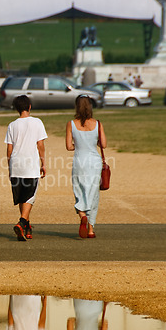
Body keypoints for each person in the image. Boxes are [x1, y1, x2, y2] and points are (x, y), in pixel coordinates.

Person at [5, 95, 47, 241]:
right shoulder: (37, 122)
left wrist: (10, 165)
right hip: (31, 165)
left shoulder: (12, 125)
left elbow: (9, 149)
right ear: (29, 106)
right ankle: (22, 222)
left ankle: (26, 227)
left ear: (17, 109)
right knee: (30, 197)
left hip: (16, 164)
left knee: (22, 196)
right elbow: (40, 145)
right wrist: (43, 163)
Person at [65, 95, 107, 239]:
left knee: (79, 190)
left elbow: (68, 146)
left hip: (79, 161)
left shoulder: (71, 124)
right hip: (94, 162)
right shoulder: (98, 123)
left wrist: (79, 144)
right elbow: (104, 144)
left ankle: (82, 214)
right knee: (93, 194)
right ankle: (90, 229)